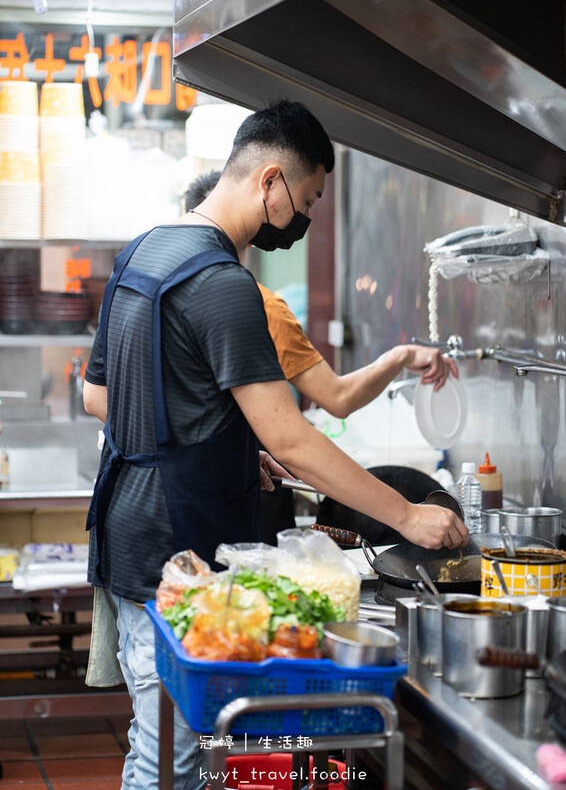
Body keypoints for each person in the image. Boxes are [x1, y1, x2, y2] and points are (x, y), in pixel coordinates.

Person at [83, 100, 468, 790]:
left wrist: (223, 445)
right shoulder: (224, 285)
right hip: (173, 544)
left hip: (128, 527)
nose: (303, 217)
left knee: (165, 740)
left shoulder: (142, 252)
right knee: (173, 758)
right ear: (270, 182)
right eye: (307, 198)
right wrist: (408, 516)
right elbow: (292, 438)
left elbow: (109, 396)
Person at [183, 170, 459, 542]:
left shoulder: (166, 296)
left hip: (183, 505)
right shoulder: (258, 305)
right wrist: (407, 516)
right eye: (308, 201)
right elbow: (334, 402)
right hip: (249, 501)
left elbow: (98, 398)